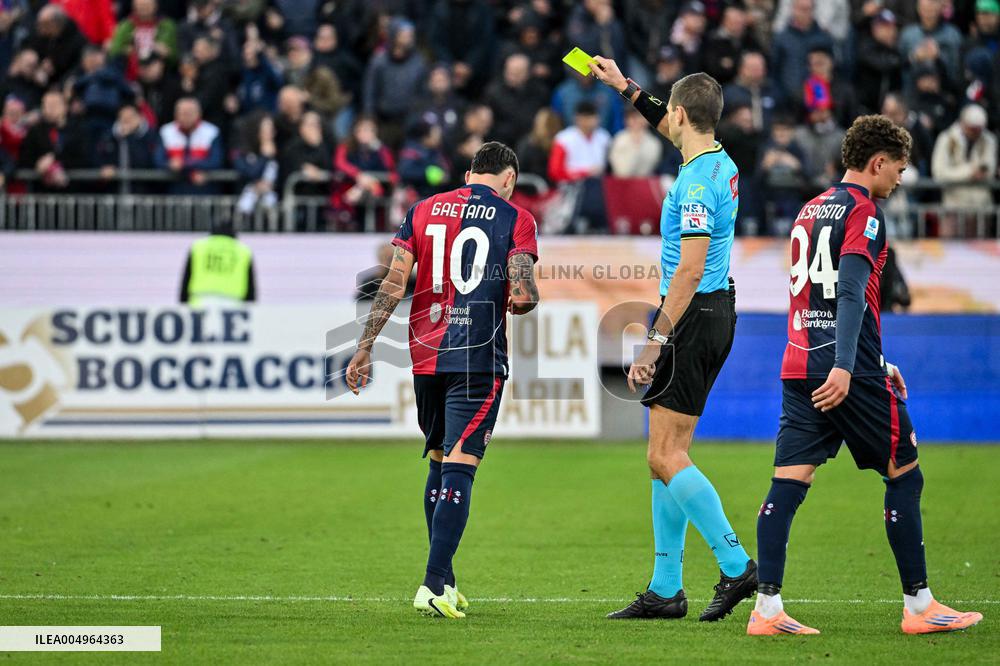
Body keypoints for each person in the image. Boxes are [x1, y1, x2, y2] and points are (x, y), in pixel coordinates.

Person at [747, 115, 983, 636]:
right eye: (897, 169)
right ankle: (920, 607)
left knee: (787, 482)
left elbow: (814, 296)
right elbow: (850, 293)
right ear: (876, 163)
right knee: (906, 472)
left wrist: (871, 360)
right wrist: (851, 366)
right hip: (844, 372)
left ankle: (766, 611)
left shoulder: (810, 208)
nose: (900, 179)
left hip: (800, 362)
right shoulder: (864, 212)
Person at [588, 57, 756, 621]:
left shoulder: (693, 184)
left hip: (693, 314)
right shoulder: (717, 160)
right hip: (714, 310)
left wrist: (656, 338)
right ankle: (665, 589)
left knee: (665, 455)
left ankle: (736, 566)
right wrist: (623, 86)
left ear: (681, 115)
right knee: (663, 457)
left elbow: (687, 271)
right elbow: (667, 119)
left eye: (670, 114)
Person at [344, 142, 540, 619]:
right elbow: (523, 290)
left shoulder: (423, 209)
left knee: (437, 459)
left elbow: (393, 282)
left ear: (470, 172)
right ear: (509, 178)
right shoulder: (517, 218)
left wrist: (365, 346)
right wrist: (521, 297)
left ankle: (446, 580)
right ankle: (432, 584)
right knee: (460, 464)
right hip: (477, 355)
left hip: (425, 352)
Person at [179, 218, 256, 307]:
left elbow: (186, 279)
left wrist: (183, 305)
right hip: (233, 305)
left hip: (200, 303)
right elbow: (250, 287)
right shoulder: (243, 251)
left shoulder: (198, 247)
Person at [155, 97, 224, 194]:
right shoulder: (166, 131)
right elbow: (158, 161)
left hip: (203, 192)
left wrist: (183, 164)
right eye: (182, 113)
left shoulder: (211, 131)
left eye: (190, 113)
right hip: (174, 191)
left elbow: (215, 161)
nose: (186, 117)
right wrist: (170, 165)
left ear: (199, 114)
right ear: (175, 114)